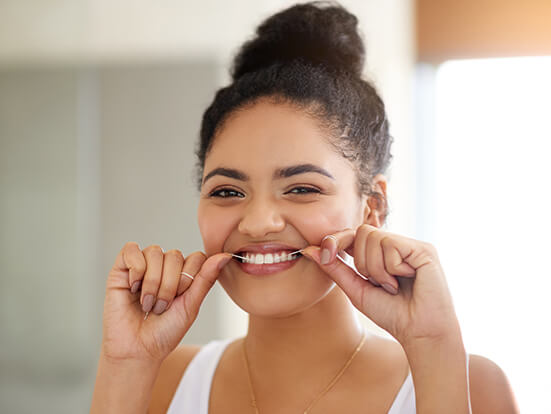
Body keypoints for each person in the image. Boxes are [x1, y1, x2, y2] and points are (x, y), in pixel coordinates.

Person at [91, 2, 518, 413]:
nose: (258, 223)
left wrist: (432, 347)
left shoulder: (470, 385)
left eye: (300, 189)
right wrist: (125, 366)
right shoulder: (163, 380)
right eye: (227, 192)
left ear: (373, 206)